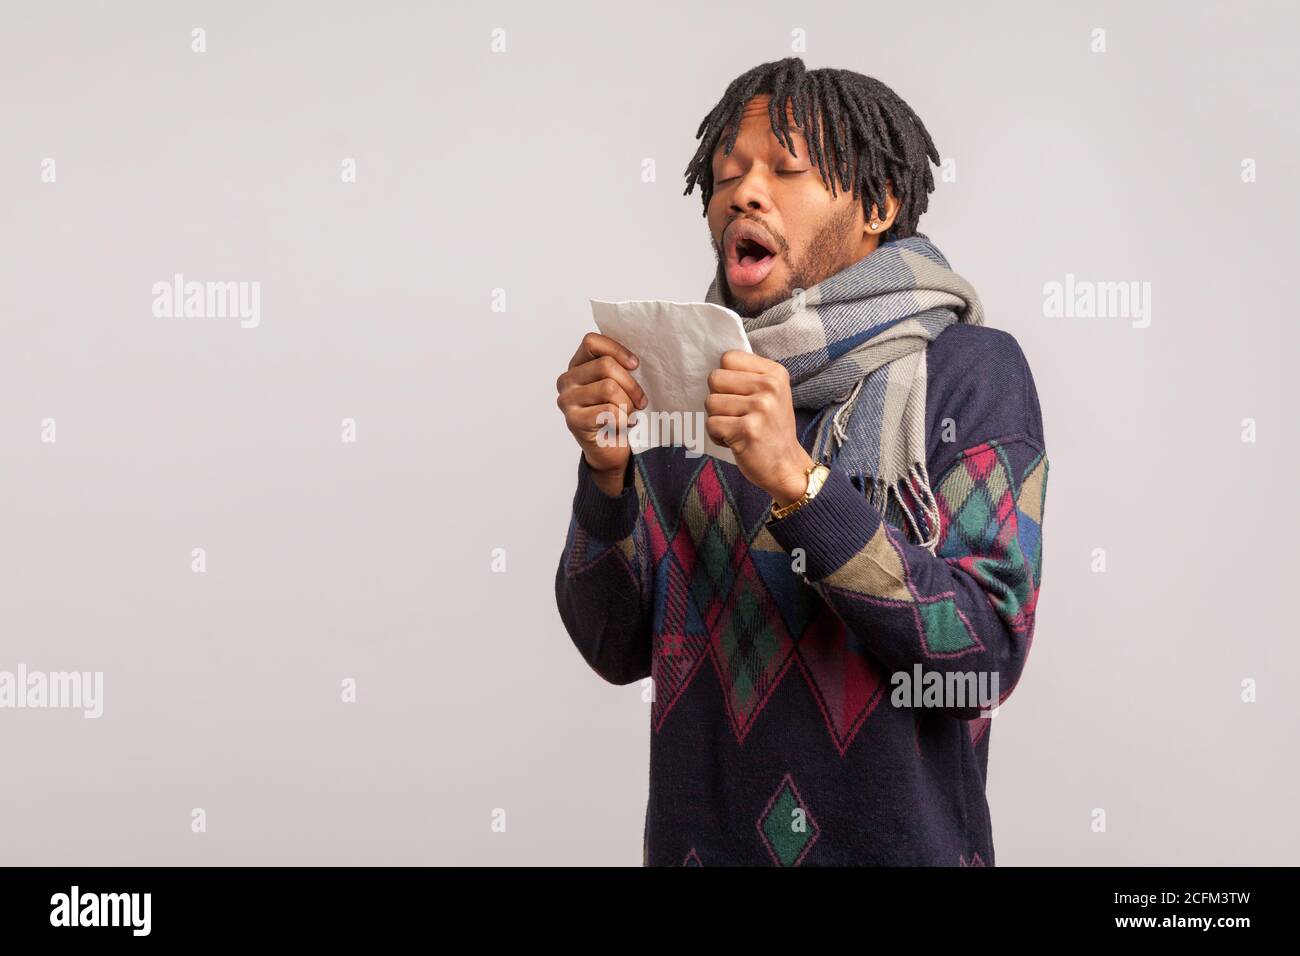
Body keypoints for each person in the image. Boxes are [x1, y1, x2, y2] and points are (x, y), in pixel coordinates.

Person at [553, 57, 1048, 866]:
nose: (746, 191)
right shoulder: (694, 380)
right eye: (728, 174)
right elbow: (614, 646)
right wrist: (604, 476)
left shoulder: (971, 371)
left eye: (787, 170)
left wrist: (801, 484)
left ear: (878, 206)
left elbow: (983, 653)